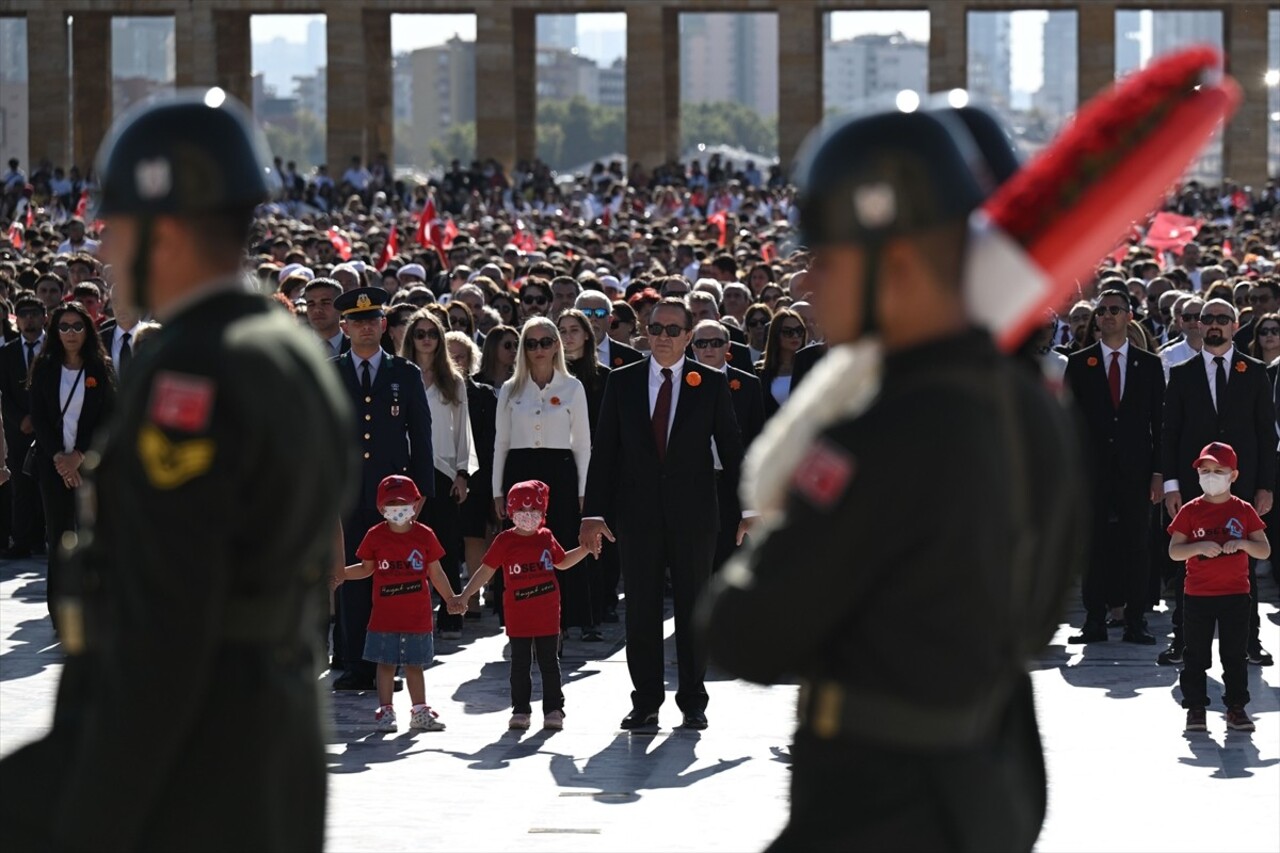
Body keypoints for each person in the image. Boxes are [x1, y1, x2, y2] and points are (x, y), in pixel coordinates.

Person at [699, 107, 1085, 851]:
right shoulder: (1032, 405)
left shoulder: (881, 433)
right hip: (986, 786)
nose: (805, 278)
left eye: (826, 257)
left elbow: (745, 633)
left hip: (878, 807)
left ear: (899, 264)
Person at [0, 90, 355, 851]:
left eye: (116, 228)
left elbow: (164, 635)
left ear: (167, 229)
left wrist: (78, 818)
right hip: (267, 742)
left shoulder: (194, 373)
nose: (104, 251)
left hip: (194, 768)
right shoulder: (288, 352)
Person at [580, 298, 748, 730]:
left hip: (694, 515)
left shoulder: (709, 383)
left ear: (689, 337)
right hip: (637, 515)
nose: (664, 338)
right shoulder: (623, 381)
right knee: (641, 609)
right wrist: (593, 513)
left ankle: (693, 700)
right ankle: (646, 700)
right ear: (645, 332)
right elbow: (605, 453)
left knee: (694, 607)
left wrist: (750, 508)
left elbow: (732, 449)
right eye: (656, 329)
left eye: (674, 331)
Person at [1161, 298, 1275, 668]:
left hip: (1241, 486)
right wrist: (1171, 486)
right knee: (1189, 562)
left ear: (1234, 324)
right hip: (1196, 485)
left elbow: (1264, 434)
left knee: (1243, 558)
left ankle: (1250, 641)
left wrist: (1265, 486)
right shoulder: (1181, 373)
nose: (1213, 325)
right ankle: (1183, 640)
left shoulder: (1255, 372)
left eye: (1221, 319)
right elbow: (1170, 434)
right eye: (1206, 318)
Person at [332, 285, 435, 690]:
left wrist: (422, 488)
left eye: (372, 321)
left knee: (391, 580)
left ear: (384, 325)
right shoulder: (331, 371)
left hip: (392, 493)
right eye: (357, 322)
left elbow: (420, 434)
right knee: (350, 575)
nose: (365, 329)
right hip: (345, 490)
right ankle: (355, 661)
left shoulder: (403, 373)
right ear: (345, 326)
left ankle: (387, 665)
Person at [1064, 288, 1164, 645]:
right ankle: (1094, 619)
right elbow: (1069, 423)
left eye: (1115, 310)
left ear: (1129, 316)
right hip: (1093, 471)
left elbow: (1159, 422)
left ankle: (1136, 619)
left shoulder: (1149, 365)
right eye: (1102, 310)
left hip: (1136, 470)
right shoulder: (1080, 363)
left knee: (1137, 543)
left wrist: (1158, 473)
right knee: (1093, 543)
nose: (1107, 316)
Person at [451, 480, 589, 730]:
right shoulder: (505, 541)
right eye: (522, 512)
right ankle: (521, 710)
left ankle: (554, 709)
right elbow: (486, 571)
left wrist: (585, 549)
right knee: (520, 664)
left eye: (534, 512)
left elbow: (563, 561)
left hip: (547, 614)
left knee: (549, 663)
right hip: (518, 615)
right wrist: (465, 595)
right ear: (511, 513)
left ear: (543, 513)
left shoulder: (546, 537)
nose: (527, 517)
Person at [333, 475, 458, 733]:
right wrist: (341, 574)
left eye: (403, 502)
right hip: (384, 618)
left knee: (415, 665)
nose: (397, 508)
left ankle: (420, 710)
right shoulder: (375, 536)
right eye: (390, 504)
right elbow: (367, 569)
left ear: (415, 504)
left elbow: (436, 573)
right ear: (380, 509)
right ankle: (386, 709)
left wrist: (450, 599)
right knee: (385, 664)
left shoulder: (425, 535)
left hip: (417, 617)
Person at [493, 317, 592, 639]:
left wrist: (582, 490)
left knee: (558, 543)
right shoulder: (510, 389)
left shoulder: (572, 387)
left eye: (546, 342)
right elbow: (501, 444)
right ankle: (520, 620)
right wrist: (497, 490)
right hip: (521, 471)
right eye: (531, 343)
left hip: (560, 472)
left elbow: (582, 444)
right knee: (520, 548)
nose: (539, 349)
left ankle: (560, 622)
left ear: (556, 346)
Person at [1167, 442, 1268, 733]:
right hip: (1197, 596)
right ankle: (1195, 708)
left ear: (1233, 475)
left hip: (1236, 596)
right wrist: (1197, 546)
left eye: (1219, 471)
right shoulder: (1190, 510)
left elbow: (1264, 550)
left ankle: (1236, 707)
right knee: (1195, 654)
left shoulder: (1243, 510)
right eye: (1206, 470)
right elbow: (1175, 551)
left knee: (1235, 655)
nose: (1211, 476)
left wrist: (1246, 543)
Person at [27, 301, 116, 625]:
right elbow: (39, 417)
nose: (70, 333)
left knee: (92, 536)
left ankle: (91, 608)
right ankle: (59, 611)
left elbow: (108, 418)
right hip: (53, 466)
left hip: (90, 466)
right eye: (63, 327)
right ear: (55, 331)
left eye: (77, 326)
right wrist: (61, 461)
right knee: (59, 536)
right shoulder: (45, 367)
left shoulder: (99, 368)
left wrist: (79, 455)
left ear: (87, 330)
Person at [402, 308, 476, 640]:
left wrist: (463, 473)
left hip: (444, 470)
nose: (427, 340)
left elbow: (464, 431)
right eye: (420, 334)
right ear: (411, 339)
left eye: (433, 334)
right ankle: (411, 616)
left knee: (444, 544)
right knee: (406, 544)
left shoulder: (454, 380)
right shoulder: (400, 374)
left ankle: (451, 615)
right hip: (407, 470)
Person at [0, 294, 46, 558]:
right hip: (19, 431)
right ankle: (22, 540)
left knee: (48, 485)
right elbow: (3, 393)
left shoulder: (54, 348)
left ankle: (44, 537)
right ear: (16, 320)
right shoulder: (6, 353)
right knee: (21, 486)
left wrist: (40, 419)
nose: (30, 318)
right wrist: (21, 419)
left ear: (44, 317)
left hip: (50, 428)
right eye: (24, 314)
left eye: (35, 313)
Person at [754, 306, 808, 418]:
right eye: (788, 332)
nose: (795, 336)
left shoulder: (812, 367)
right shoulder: (760, 371)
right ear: (776, 335)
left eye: (799, 330)